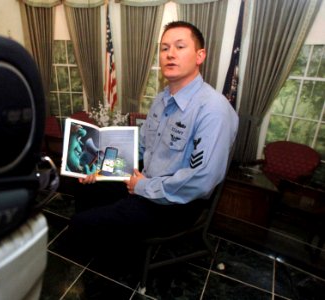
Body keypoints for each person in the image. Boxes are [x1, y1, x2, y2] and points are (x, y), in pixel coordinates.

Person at [64, 21, 239, 258]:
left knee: (79, 224)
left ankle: (111, 261)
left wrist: (143, 187)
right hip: (144, 182)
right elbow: (141, 147)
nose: (170, 54)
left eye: (179, 46)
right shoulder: (161, 99)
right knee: (86, 186)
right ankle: (109, 248)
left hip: (176, 203)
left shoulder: (213, 109)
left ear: (200, 56)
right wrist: (102, 166)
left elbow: (200, 180)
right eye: (165, 48)